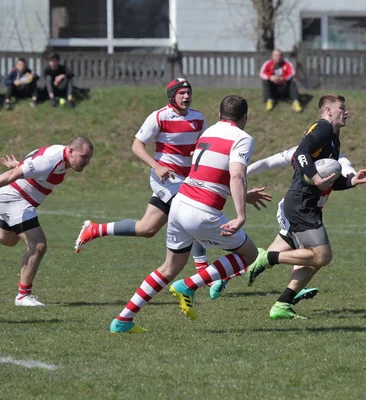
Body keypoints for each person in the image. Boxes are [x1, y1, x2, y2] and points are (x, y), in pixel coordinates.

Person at [74, 79, 270, 277]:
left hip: (189, 180)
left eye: (189, 93)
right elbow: (137, 145)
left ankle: (96, 229)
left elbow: (209, 152)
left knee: (147, 228)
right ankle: (202, 270)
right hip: (166, 180)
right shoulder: (159, 116)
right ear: (172, 96)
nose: (186, 97)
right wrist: (156, 166)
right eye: (181, 93)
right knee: (193, 212)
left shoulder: (199, 118)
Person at [110, 95, 260, 333]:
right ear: (244, 118)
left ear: (220, 115)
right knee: (249, 254)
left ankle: (122, 320)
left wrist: (241, 195)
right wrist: (241, 214)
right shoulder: (243, 138)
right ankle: (188, 285)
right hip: (202, 210)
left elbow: (211, 176)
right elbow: (237, 175)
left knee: (169, 267)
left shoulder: (208, 133)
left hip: (180, 203)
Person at [246, 94, 366, 320]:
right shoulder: (323, 127)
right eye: (341, 108)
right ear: (328, 110)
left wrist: (352, 180)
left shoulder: (333, 138)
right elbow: (301, 154)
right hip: (301, 203)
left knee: (315, 258)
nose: (345, 113)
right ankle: (267, 258)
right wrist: (316, 178)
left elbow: (332, 182)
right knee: (322, 256)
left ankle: (282, 305)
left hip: (307, 204)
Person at [204, 145, 357, 301]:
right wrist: (239, 177)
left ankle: (223, 277)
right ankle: (294, 289)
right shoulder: (301, 152)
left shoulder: (335, 155)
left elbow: (347, 168)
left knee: (269, 257)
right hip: (295, 212)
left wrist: (355, 177)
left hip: (306, 212)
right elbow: (267, 163)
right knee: (311, 252)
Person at [0, 137, 94, 307]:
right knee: (38, 245)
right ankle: (23, 296)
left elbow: (29, 168)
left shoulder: (58, 157)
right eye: (84, 157)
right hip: (15, 198)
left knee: (9, 240)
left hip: (16, 199)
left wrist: (19, 166)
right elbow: (12, 175)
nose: (86, 162)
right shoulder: (50, 160)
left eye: (89, 158)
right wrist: (17, 169)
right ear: (71, 151)